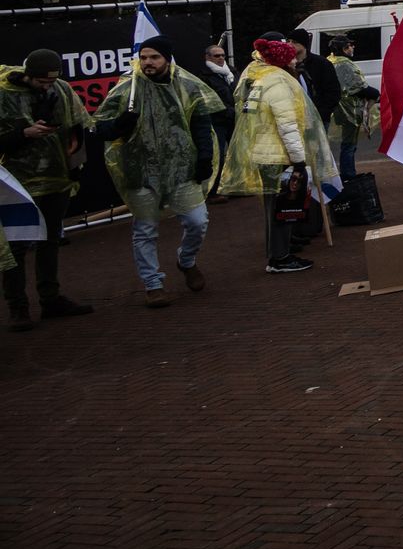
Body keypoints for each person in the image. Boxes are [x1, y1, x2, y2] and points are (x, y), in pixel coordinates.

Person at [94, 37, 226, 307]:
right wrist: (121, 124)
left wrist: (205, 158)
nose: (148, 63)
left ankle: (186, 261)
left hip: (182, 169)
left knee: (197, 222)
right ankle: (153, 284)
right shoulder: (127, 88)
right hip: (140, 170)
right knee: (145, 229)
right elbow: (101, 128)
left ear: (167, 58)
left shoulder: (187, 86)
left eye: (154, 57)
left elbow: (201, 123)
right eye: (143, 57)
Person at [217, 37, 336, 273]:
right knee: (282, 208)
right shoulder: (280, 83)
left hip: (265, 153)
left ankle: (278, 254)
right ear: (283, 61)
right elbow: (287, 125)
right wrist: (299, 160)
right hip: (277, 156)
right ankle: (280, 258)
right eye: (291, 57)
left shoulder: (262, 79)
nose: (295, 61)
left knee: (274, 207)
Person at [1, 49, 94, 330]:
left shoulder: (61, 90)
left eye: (51, 81)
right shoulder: (4, 93)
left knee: (50, 240)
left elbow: (76, 127)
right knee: (16, 247)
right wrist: (22, 134)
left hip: (56, 177)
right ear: (28, 74)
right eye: (41, 81)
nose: (47, 86)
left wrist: (74, 165)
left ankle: (50, 299)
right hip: (15, 183)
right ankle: (17, 307)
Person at [326, 36, 380, 178]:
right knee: (349, 145)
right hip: (348, 109)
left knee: (347, 144)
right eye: (350, 45)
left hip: (338, 108)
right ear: (344, 49)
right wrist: (376, 93)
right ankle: (348, 175)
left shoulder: (330, 61)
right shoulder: (344, 64)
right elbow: (358, 87)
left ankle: (347, 174)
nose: (353, 47)